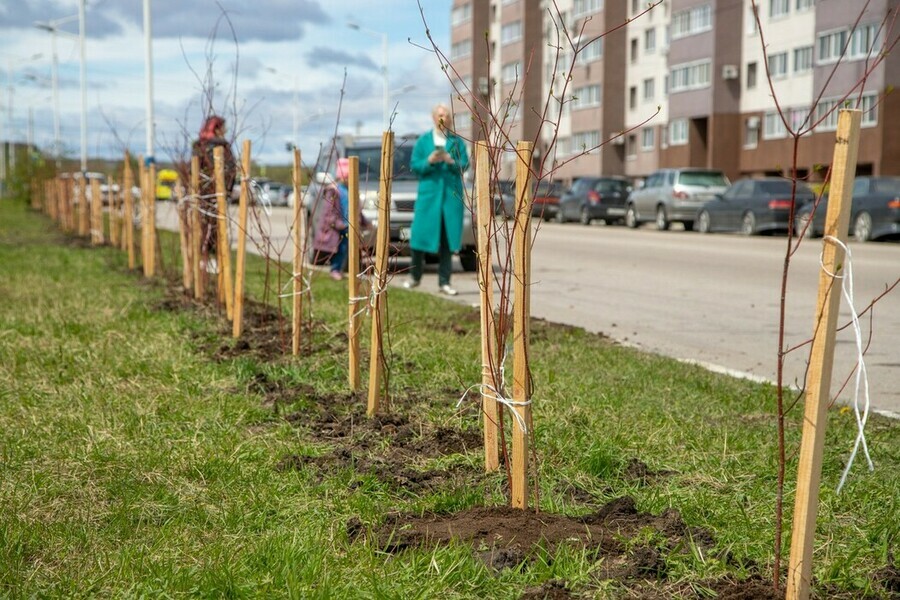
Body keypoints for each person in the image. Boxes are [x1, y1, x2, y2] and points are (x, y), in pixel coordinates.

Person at [405, 103, 470, 295]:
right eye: (440, 115)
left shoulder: (457, 143)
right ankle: (415, 277)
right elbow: (415, 166)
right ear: (434, 117)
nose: (444, 118)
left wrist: (451, 161)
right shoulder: (424, 141)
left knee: (448, 240)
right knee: (418, 236)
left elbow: (464, 165)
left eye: (447, 115)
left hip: (450, 197)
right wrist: (429, 161)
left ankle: (445, 281)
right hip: (429, 197)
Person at [192, 115, 236, 274]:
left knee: (204, 226)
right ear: (216, 128)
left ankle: (204, 260)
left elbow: (192, 170)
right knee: (215, 227)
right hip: (217, 194)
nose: (225, 131)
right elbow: (231, 171)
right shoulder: (222, 148)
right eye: (223, 127)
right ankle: (214, 260)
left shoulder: (198, 147)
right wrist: (227, 190)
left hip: (202, 193)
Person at [313, 158, 367, 280]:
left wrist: (364, 222)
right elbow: (329, 211)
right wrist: (338, 224)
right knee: (339, 249)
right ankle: (335, 269)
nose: (348, 180)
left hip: (350, 224)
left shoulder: (352, 190)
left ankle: (356, 270)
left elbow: (357, 209)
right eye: (346, 177)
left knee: (354, 248)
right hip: (338, 227)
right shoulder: (334, 191)